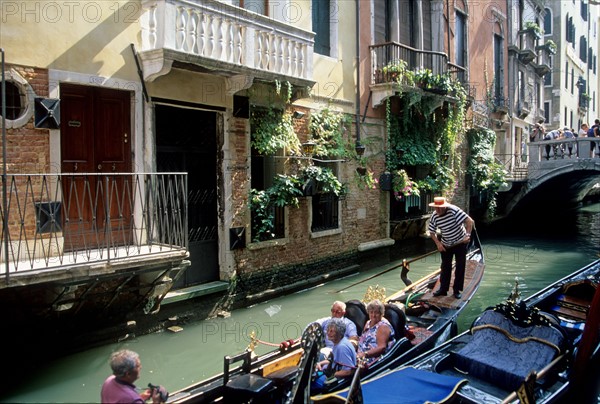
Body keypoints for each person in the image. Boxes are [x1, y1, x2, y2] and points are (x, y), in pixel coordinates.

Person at [428, 197, 474, 299]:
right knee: (445, 267)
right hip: (446, 244)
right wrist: (438, 244)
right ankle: (443, 289)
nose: (438, 210)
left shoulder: (454, 211)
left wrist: (468, 235)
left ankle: (456, 290)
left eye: (440, 208)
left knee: (460, 266)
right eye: (436, 208)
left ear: (445, 206)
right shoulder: (435, 216)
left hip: (460, 242)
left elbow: (470, 221)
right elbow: (431, 232)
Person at [101, 349, 166, 404]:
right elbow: (128, 399)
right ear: (128, 374)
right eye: (138, 366)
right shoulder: (133, 399)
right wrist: (156, 402)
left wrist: (141, 397)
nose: (141, 367)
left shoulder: (109, 380)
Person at [311, 318, 357, 392]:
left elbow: (348, 371)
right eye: (328, 330)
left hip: (337, 381)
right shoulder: (339, 342)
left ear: (339, 333)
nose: (328, 333)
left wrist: (332, 375)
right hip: (331, 372)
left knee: (310, 383)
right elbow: (335, 360)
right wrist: (320, 363)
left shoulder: (341, 347)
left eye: (332, 331)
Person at [357, 299, 395, 366]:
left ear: (381, 313)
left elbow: (382, 348)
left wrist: (364, 354)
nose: (373, 315)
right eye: (371, 312)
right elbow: (363, 338)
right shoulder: (368, 322)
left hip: (372, 358)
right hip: (360, 354)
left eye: (376, 313)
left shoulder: (383, 326)